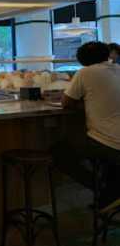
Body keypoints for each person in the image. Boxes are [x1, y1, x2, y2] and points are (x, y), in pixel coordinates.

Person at [51, 42, 120, 213]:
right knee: (106, 158)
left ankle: (104, 192)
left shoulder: (85, 73)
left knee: (59, 152)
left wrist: (85, 103)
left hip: (108, 144)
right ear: (107, 55)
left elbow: (66, 103)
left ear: (82, 61)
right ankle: (108, 195)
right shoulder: (118, 69)